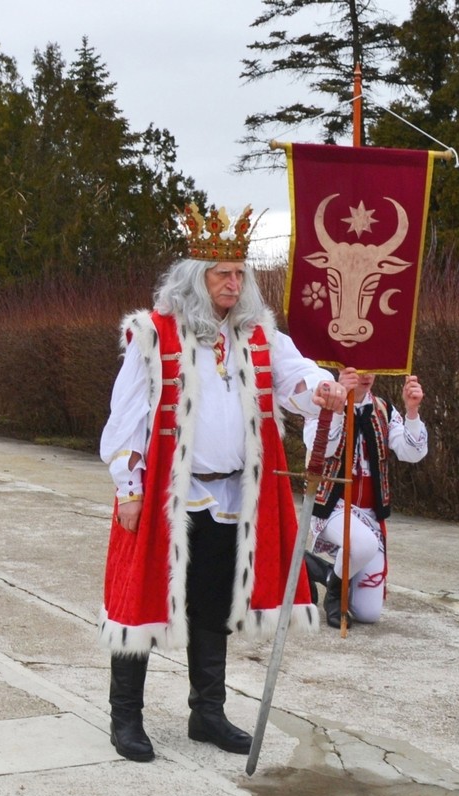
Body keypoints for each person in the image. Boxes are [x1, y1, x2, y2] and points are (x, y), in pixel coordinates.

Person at [98, 202, 349, 762]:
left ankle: (207, 714)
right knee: (140, 601)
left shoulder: (257, 335)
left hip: (232, 496)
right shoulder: (153, 333)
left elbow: (296, 377)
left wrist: (324, 388)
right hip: (166, 495)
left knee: (213, 606)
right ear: (196, 277)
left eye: (239, 273)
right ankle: (125, 718)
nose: (234, 283)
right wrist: (128, 487)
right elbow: (126, 417)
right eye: (222, 274)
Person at [305, 369, 428, 628]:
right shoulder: (322, 400)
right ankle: (335, 595)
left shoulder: (383, 409)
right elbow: (321, 448)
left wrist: (412, 411)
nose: (365, 374)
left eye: (371, 368)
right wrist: (338, 408)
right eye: (358, 368)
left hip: (370, 514)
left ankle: (322, 571)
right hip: (332, 506)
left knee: (367, 613)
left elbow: (412, 453)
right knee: (363, 544)